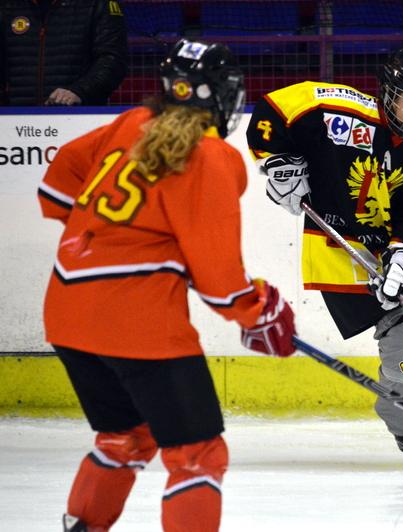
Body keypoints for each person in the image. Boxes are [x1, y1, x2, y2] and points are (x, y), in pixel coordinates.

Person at [38, 39, 296, 532]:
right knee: (197, 454)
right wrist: (258, 311)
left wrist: (111, 240)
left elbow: (57, 184)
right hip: (138, 323)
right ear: (221, 93)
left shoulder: (130, 122)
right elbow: (220, 282)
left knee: (125, 436)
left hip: (67, 310)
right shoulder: (212, 155)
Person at [246, 47, 403, 468]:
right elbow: (272, 111)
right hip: (338, 248)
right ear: (389, 93)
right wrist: (279, 163)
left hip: (399, 250)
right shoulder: (337, 111)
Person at [0, 0, 128, 105]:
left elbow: (113, 59)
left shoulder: (98, 4)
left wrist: (80, 91)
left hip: (78, 116)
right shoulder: (6, 6)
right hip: (13, 119)